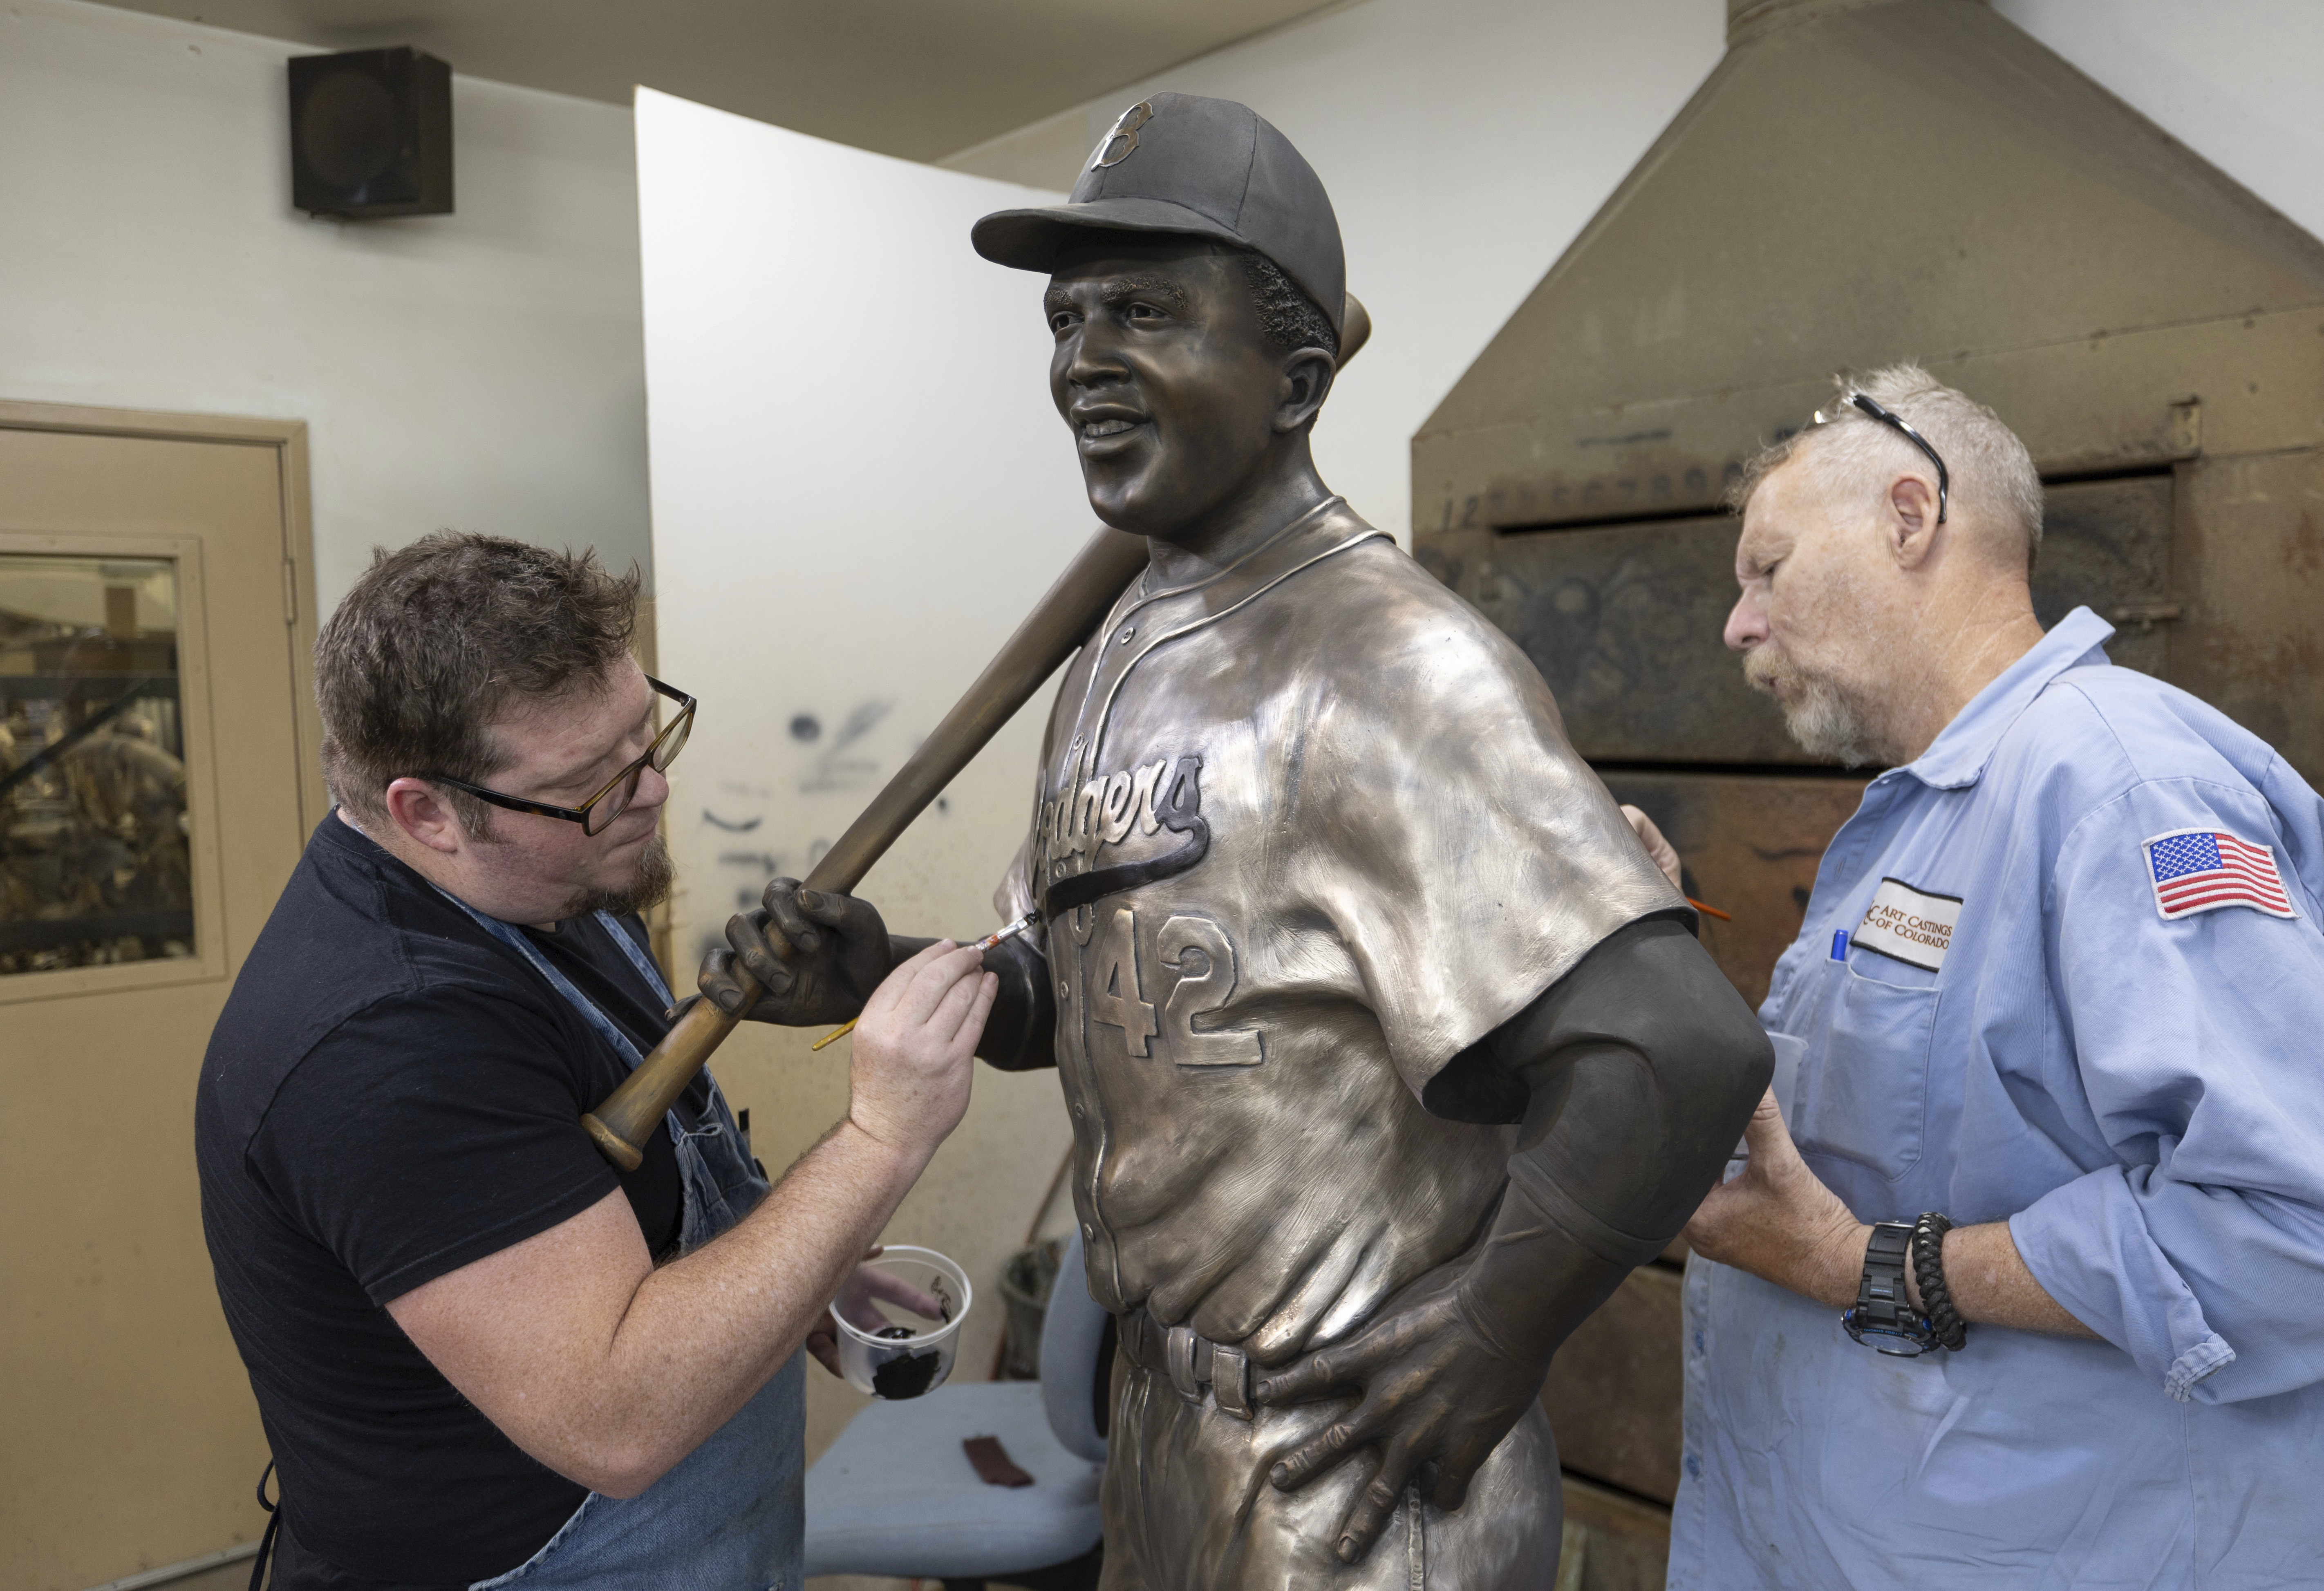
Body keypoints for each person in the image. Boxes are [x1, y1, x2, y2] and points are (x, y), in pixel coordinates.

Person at [696, 94, 1770, 1587]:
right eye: (1067, 321)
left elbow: (1677, 1051)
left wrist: (1489, 1336)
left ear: (1297, 375)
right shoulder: (1117, 649)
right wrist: (889, 973)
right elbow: (1100, 994)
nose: (1082, 363)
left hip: (1354, 1474)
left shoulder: (1394, 669)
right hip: (1160, 1429)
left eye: (1146, 311)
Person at [195, 533, 997, 1590]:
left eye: (647, 736)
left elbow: (602, 1199)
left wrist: (793, 1271)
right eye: (589, 784)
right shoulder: (385, 1044)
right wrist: (881, 1140)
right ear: (426, 811)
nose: (653, 794)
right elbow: (616, 1418)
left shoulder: (536, 881)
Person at [1666, 365, 2324, 1589]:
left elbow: (2294, 1231)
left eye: (1769, 569)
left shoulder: (2117, 784)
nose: (1738, 626)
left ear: (1910, 517)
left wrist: (1877, 1269)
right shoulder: (1925, 815)